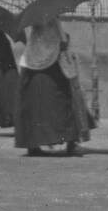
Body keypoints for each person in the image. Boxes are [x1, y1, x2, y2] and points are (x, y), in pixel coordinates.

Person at [14, 17, 91, 156]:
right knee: (63, 105)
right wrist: (63, 40)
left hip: (31, 70)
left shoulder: (35, 29)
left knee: (34, 110)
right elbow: (59, 43)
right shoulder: (53, 23)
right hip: (52, 70)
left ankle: (33, 145)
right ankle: (70, 142)